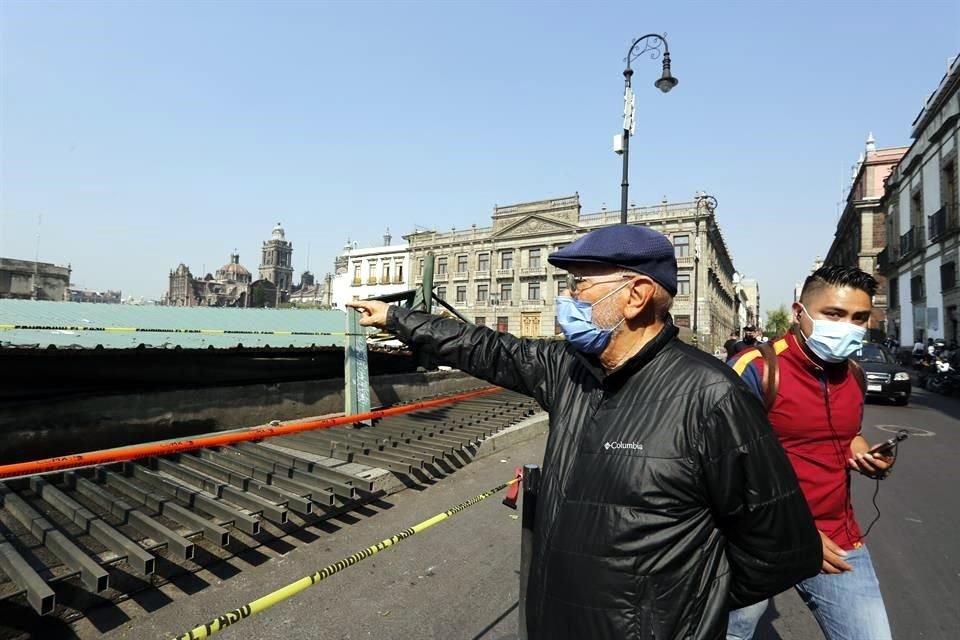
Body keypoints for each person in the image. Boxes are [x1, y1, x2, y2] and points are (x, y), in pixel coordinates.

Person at [348, 224, 822, 640]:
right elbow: (484, 347)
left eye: (581, 286)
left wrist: (674, 611)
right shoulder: (568, 371)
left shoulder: (711, 395)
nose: (568, 299)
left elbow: (782, 549)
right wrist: (396, 318)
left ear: (634, 296)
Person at [727, 265, 895, 640]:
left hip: (837, 540)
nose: (847, 326)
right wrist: (796, 534)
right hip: (758, 542)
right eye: (834, 314)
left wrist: (870, 456)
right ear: (798, 312)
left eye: (859, 318)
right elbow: (725, 471)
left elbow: (848, 436)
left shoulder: (853, 373)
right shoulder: (755, 369)